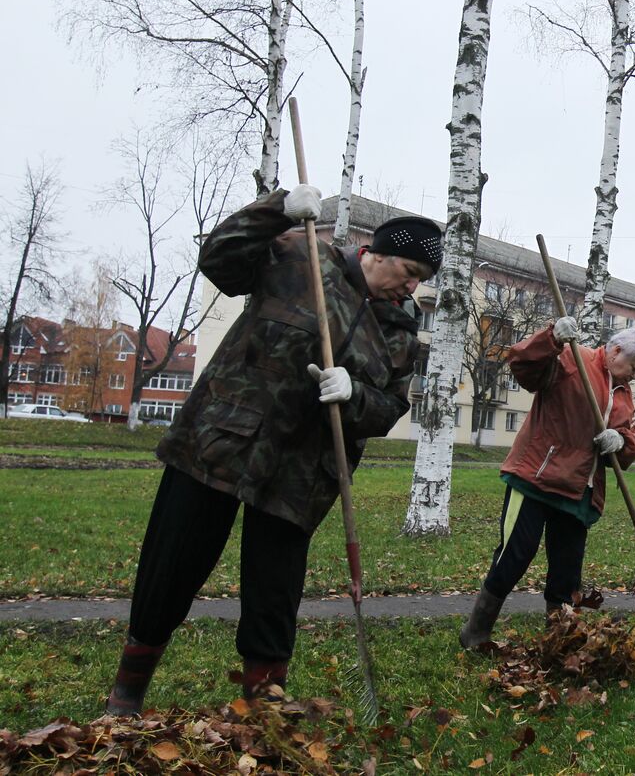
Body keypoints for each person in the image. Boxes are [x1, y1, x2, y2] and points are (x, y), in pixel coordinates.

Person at [104, 185, 441, 716]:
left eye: (422, 279)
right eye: (409, 270)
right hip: (221, 440)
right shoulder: (299, 256)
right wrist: (274, 211)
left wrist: (356, 395)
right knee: (172, 565)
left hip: (302, 470)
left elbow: (391, 406)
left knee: (274, 589)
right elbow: (220, 259)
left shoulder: (399, 329)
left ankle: (263, 700)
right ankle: (128, 690)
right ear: (374, 253)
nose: (413, 286)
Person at [458, 319, 635, 648]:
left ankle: (560, 639)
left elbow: (630, 438)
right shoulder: (572, 359)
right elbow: (523, 365)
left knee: (567, 571)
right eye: (634, 368)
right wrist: (550, 339)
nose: (634, 376)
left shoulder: (623, 393)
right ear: (616, 351)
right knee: (514, 556)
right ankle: (476, 631)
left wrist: (620, 443)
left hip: (580, 490)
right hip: (536, 477)